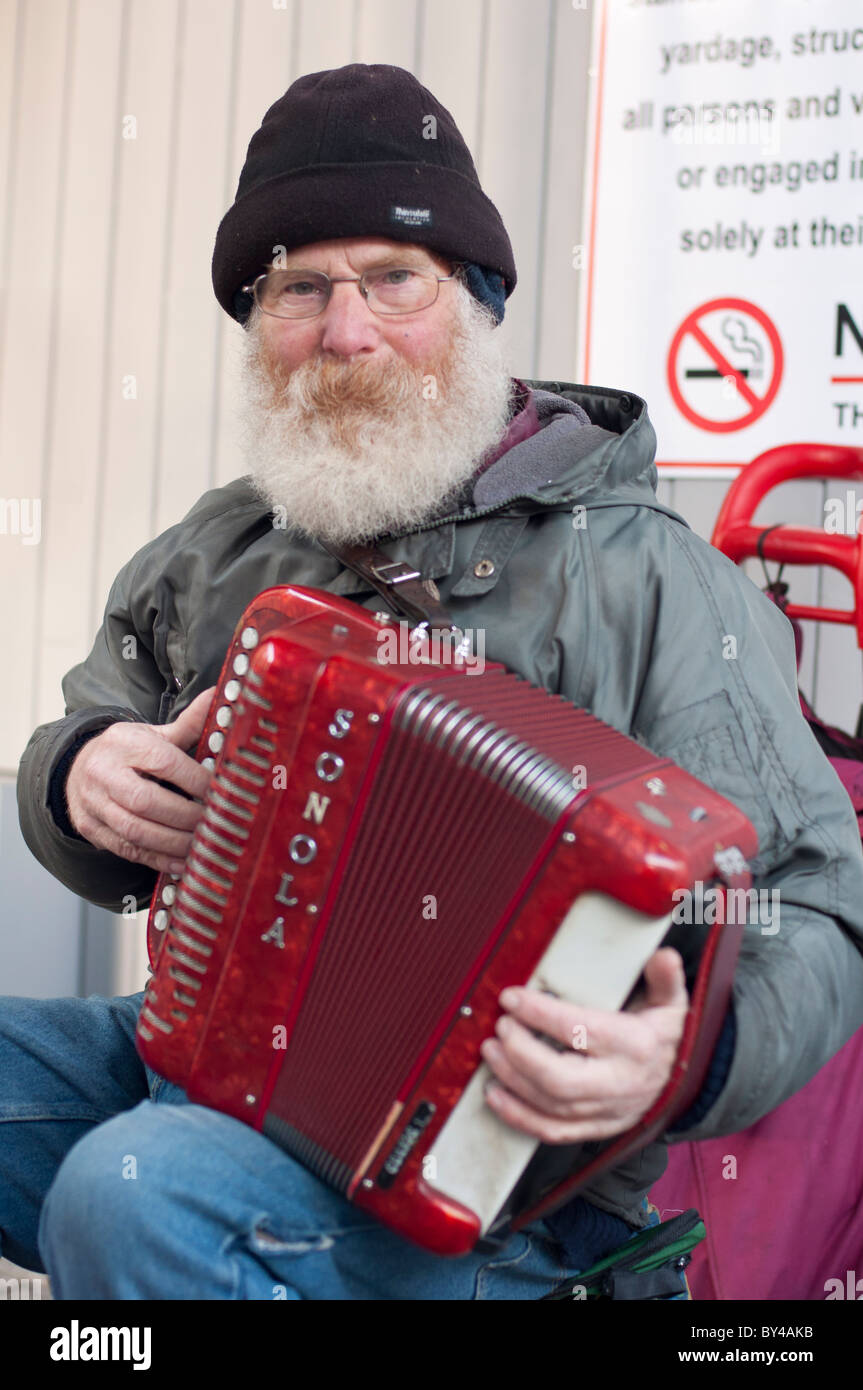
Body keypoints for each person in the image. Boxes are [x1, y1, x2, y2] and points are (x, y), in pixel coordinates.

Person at [8, 63, 863, 1301]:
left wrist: (683, 1052)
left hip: (499, 1193)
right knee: (142, 1161)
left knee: (131, 1190)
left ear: (474, 302)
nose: (345, 333)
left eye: (392, 280)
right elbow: (95, 722)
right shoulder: (218, 548)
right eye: (301, 287)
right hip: (198, 1061)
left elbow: (818, 903)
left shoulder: (649, 580)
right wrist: (76, 770)